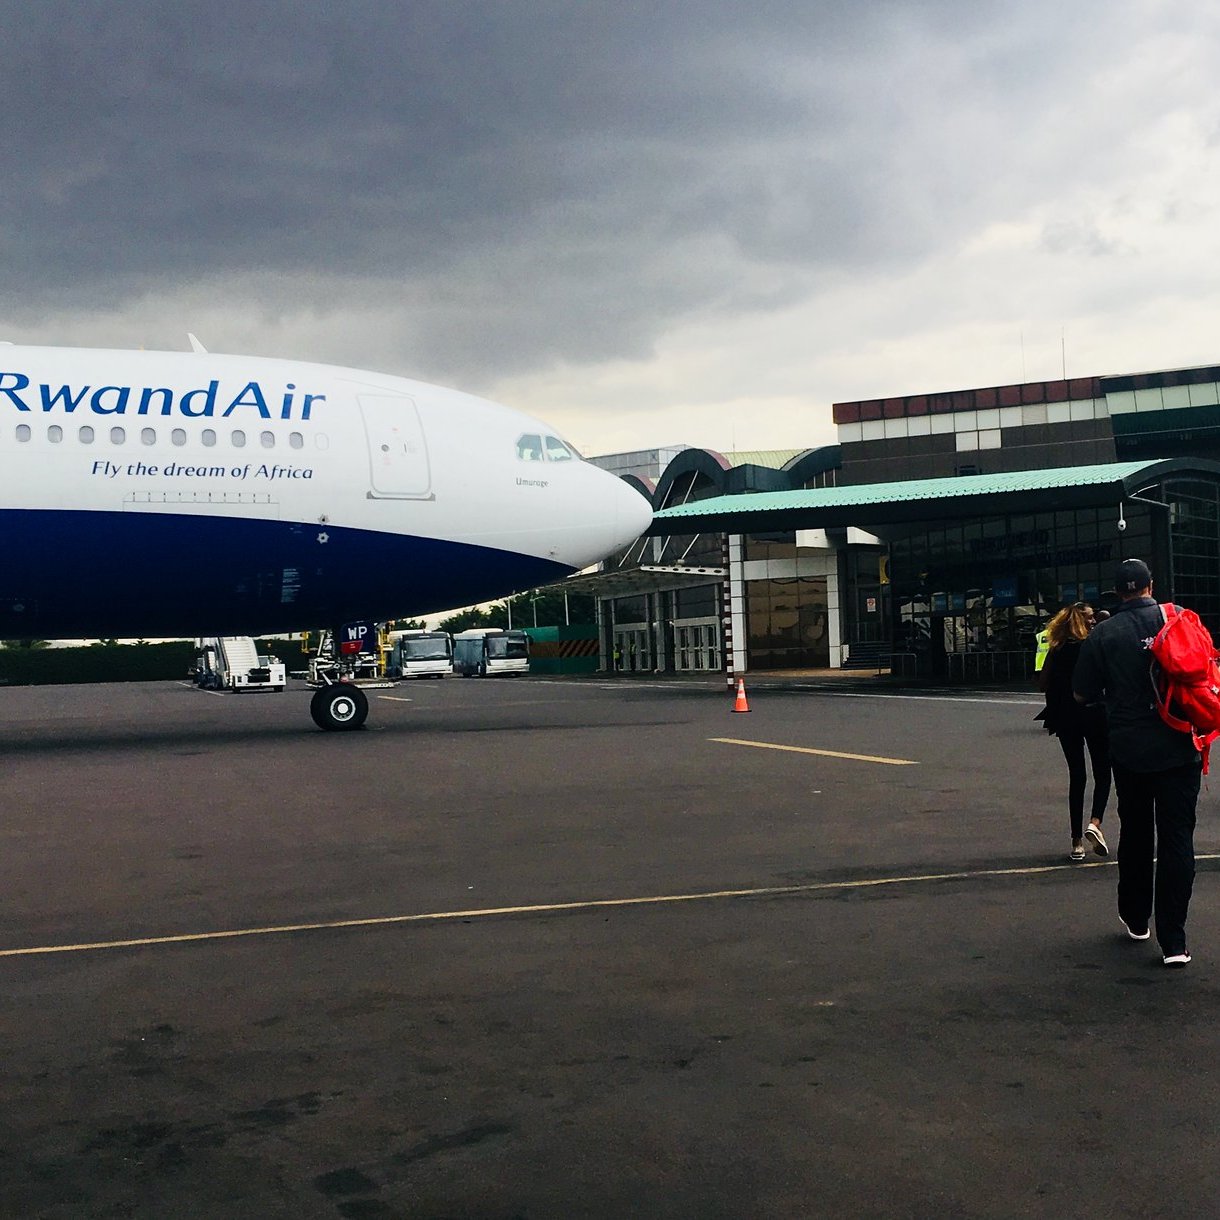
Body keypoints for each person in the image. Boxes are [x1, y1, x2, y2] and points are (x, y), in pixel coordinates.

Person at [1073, 559, 1201, 967]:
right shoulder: (1178, 618)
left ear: (1117, 593)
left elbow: (1082, 693)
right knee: (1178, 838)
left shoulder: (1105, 633)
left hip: (1129, 749)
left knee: (1136, 833)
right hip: (1181, 744)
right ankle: (1175, 941)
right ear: (1151, 585)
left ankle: (1135, 917)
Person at [1039, 602, 1110, 861]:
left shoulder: (1057, 649)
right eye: (1090, 618)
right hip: (1093, 714)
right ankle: (1095, 823)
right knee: (1103, 772)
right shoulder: (1091, 647)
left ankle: (1076, 841)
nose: (1093, 622)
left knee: (1077, 775)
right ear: (1081, 621)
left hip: (1065, 717)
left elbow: (1042, 682)